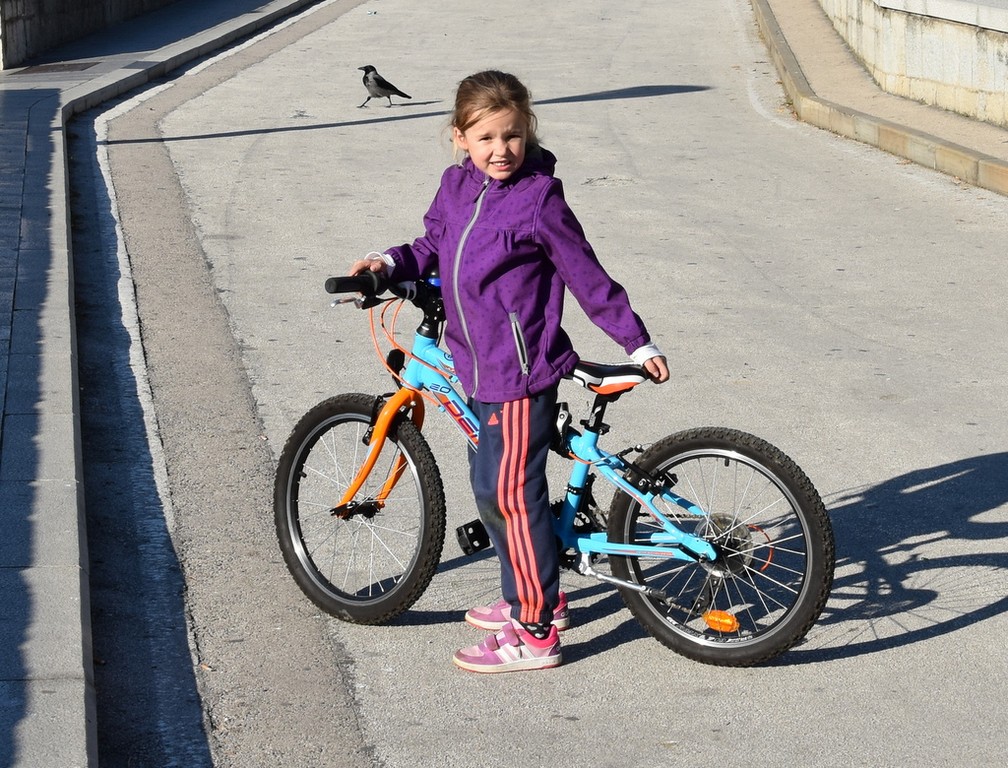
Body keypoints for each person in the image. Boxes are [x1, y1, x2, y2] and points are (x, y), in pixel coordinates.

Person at [351, 70, 669, 674]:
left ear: (529, 132)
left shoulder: (539, 199)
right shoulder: (455, 186)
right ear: (460, 138)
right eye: (487, 137)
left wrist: (635, 339)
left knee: (509, 496)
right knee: (494, 484)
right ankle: (534, 591)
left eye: (513, 135)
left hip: (519, 374)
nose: (501, 149)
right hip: (477, 366)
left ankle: (535, 630)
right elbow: (432, 245)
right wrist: (387, 263)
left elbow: (585, 274)